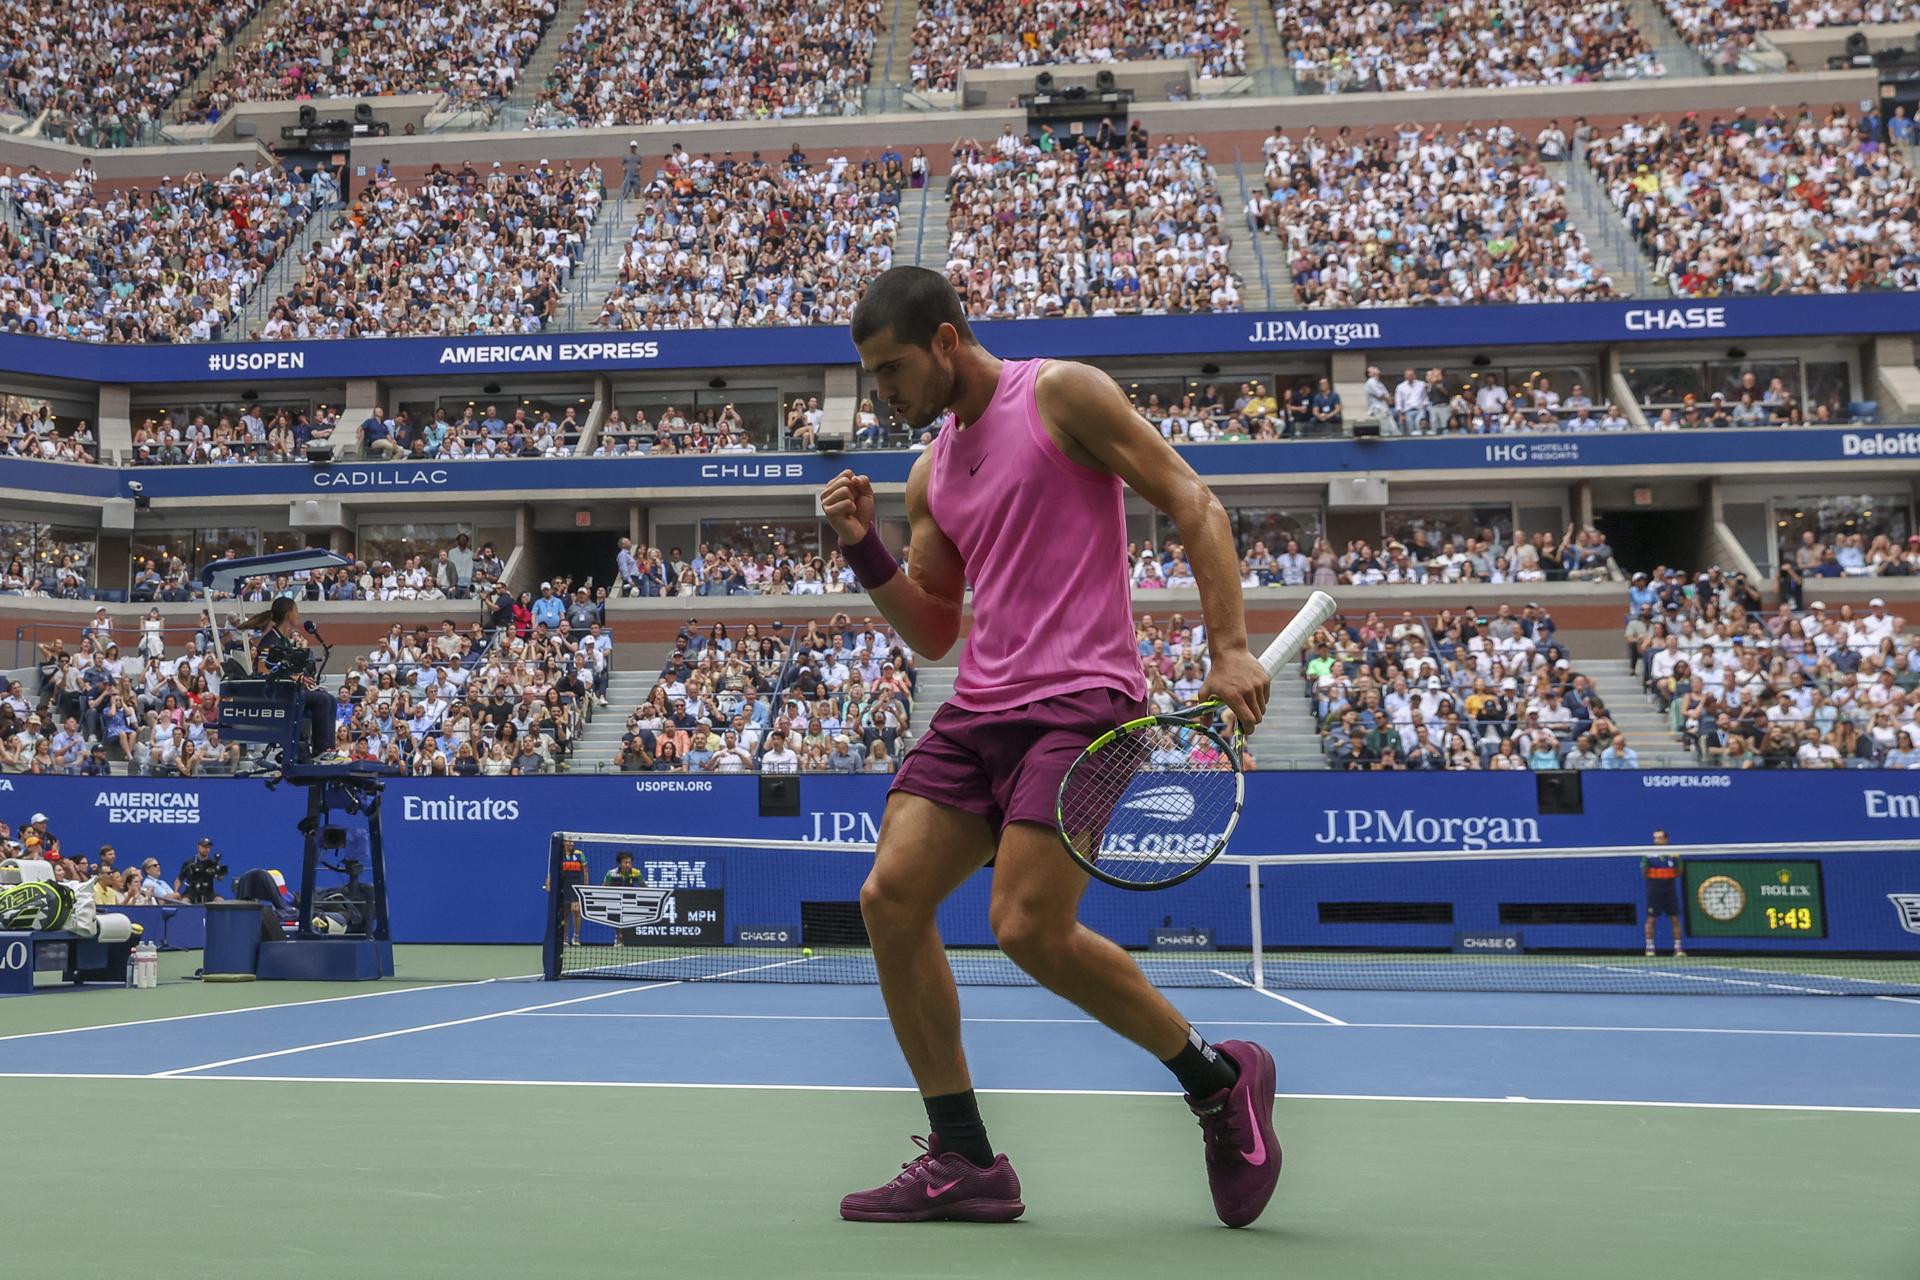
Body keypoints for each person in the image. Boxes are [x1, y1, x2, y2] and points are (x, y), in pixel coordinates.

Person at [824, 267, 1279, 1229]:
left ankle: (1215, 1081)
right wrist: (869, 547)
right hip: (982, 706)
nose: (884, 393)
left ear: (946, 341)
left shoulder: (1062, 393)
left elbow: (1194, 502)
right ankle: (963, 1158)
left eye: (893, 369)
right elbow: (939, 630)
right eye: (872, 378)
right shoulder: (930, 469)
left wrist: (1228, 646)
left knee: (1027, 926)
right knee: (889, 900)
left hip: (1088, 705)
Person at [254, 598, 346, 764]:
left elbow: (284, 669)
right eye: (296, 611)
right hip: (278, 696)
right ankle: (322, 751)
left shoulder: (283, 639)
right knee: (323, 700)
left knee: (329, 698)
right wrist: (293, 678)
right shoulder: (271, 640)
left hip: (289, 691)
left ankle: (327, 750)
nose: (298, 615)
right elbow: (262, 670)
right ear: (289, 614)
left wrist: (300, 678)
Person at [1642, 828, 1686, 958]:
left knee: (1675, 919)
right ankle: (1650, 948)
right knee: (1651, 919)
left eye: (1659, 838)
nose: (1656, 840)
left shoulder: (1675, 854)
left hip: (1670, 891)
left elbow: (1679, 871)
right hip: (1654, 891)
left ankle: (1678, 949)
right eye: (1655, 838)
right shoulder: (1648, 855)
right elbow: (1644, 872)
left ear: (1666, 839)